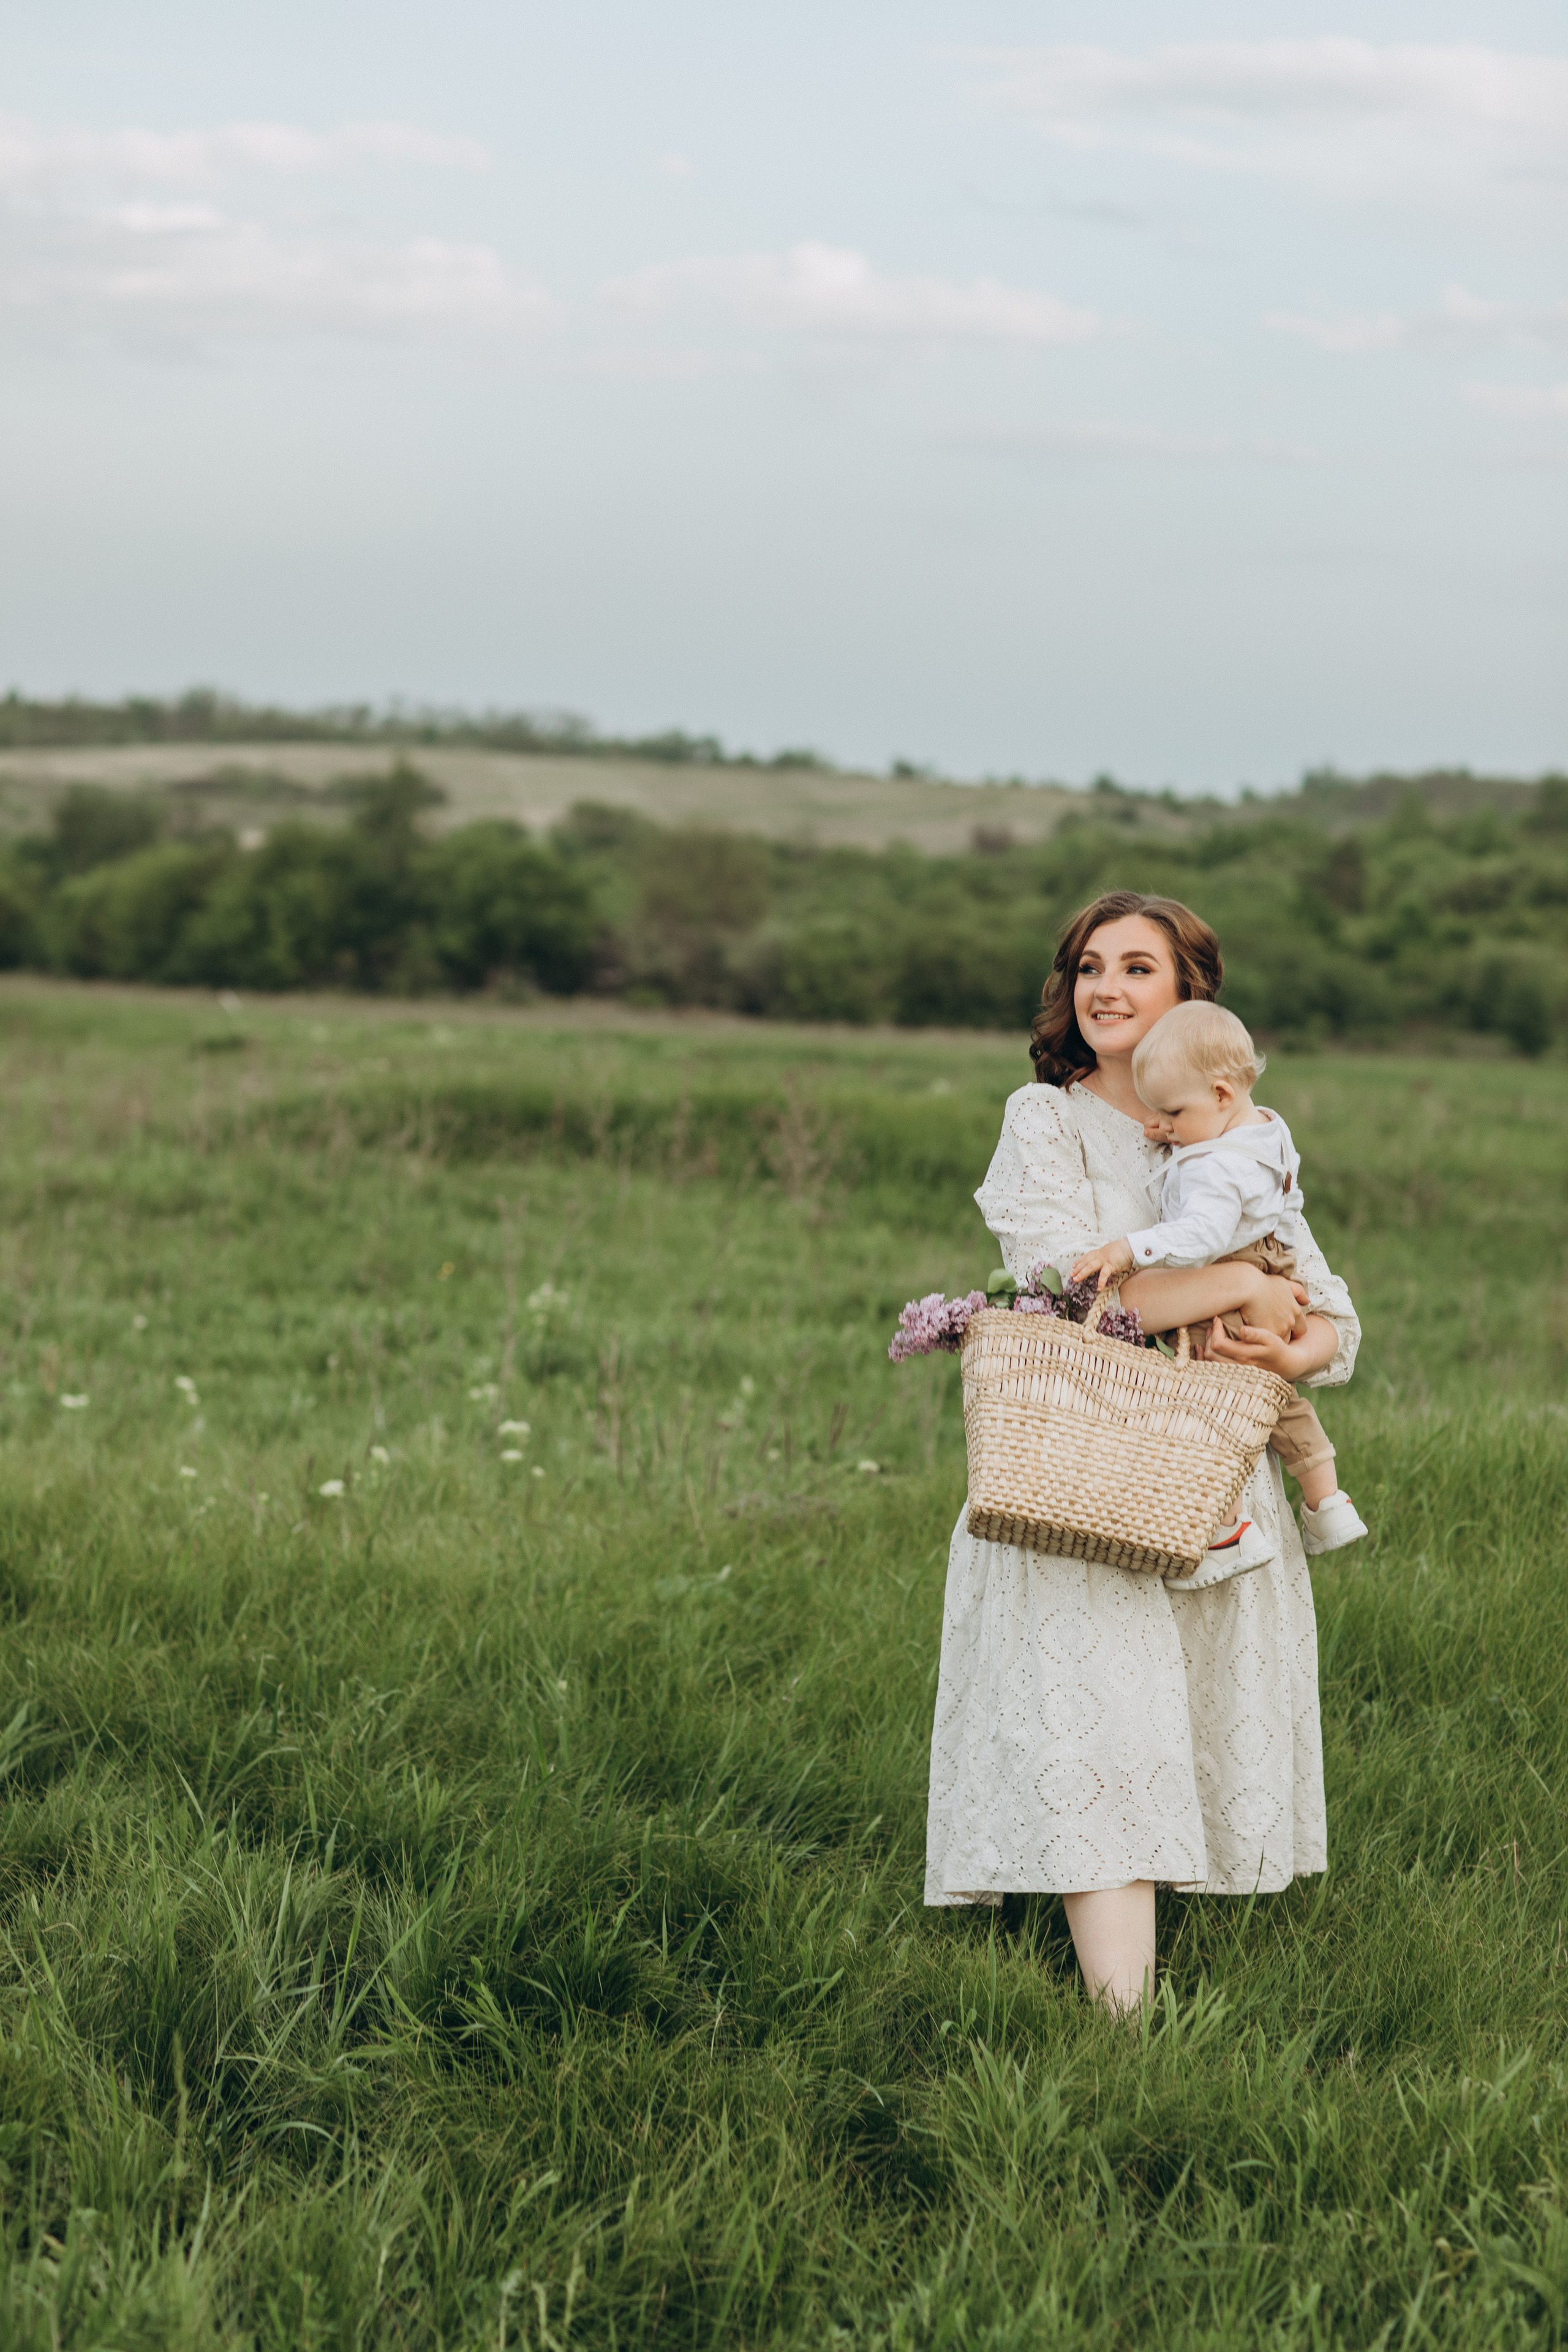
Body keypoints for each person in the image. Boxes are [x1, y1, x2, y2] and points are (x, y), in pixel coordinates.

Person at [924, 891, 1360, 2015]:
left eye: (1137, 968)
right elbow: (1086, 1283)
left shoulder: (1236, 1131)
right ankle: (1124, 2030)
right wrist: (1255, 1284)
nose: (1105, 988)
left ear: (1189, 997)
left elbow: (1339, 1324)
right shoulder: (1047, 1120)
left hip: (1211, 1467)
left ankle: (1162, 1998)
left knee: (1179, 1720)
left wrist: (1289, 1338)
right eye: (1087, 968)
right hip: (1080, 1458)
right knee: (1097, 1715)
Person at [1068, 998, 1368, 1573]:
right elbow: (1288, 1202)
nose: (1164, 1127)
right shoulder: (1265, 1130)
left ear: (1223, 1096)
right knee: (1274, 1399)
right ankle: (1327, 1501)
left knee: (1207, 1406)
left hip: (1224, 1279)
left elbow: (1201, 1236)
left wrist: (1130, 1249)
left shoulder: (1214, 1164)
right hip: (1271, 1267)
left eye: (1173, 1113)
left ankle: (1226, 1530)